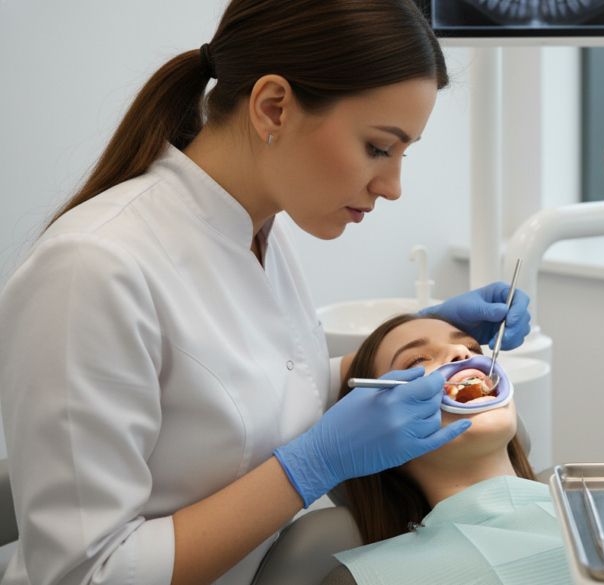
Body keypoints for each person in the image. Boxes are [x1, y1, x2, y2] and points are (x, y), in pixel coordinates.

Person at [0, 0, 530, 583]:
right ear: (273, 107)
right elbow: (84, 574)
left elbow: (251, 394)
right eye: (380, 147)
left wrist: (418, 344)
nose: (393, 186)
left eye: (404, 153)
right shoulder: (92, 268)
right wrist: (312, 465)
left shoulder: (262, 233)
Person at [322, 314, 571, 585]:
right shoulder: (365, 580)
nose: (462, 351)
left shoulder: (596, 501)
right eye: (417, 360)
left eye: (473, 348)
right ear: (380, 437)